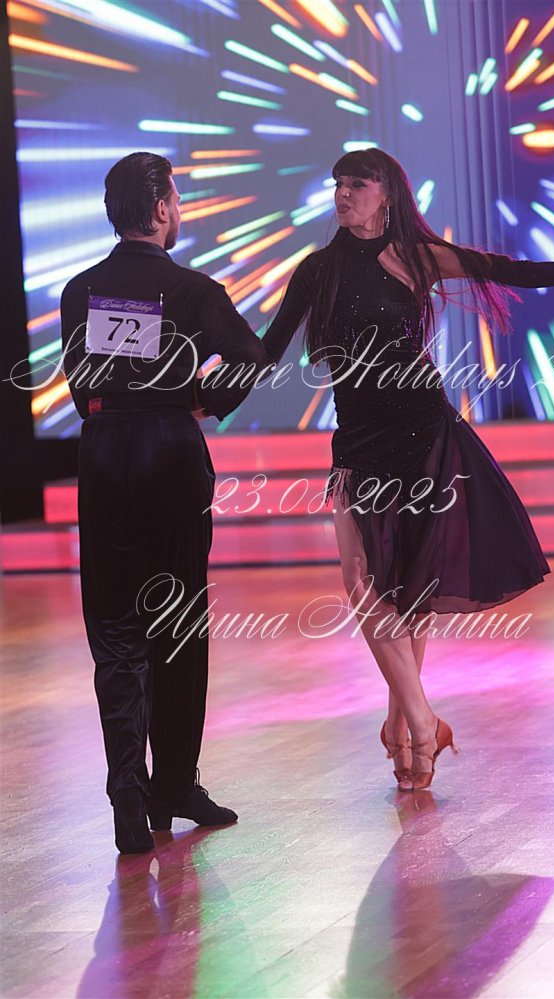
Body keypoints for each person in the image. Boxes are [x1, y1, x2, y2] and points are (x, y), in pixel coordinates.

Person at [253, 148, 554, 792]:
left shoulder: (418, 257)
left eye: (357, 184)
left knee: (408, 587)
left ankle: (404, 724)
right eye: (338, 184)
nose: (343, 193)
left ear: (386, 194)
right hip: (358, 441)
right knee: (360, 581)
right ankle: (422, 719)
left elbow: (507, 271)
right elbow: (266, 350)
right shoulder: (317, 271)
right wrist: (202, 381)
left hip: (423, 433)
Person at [60, 152, 268, 853]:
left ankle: (130, 795)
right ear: (159, 209)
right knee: (176, 623)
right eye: (176, 199)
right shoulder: (193, 289)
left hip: (104, 454)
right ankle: (175, 785)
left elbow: (80, 387)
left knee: (115, 629)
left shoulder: (79, 290)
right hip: (170, 455)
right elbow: (251, 356)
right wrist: (200, 400)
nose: (178, 210)